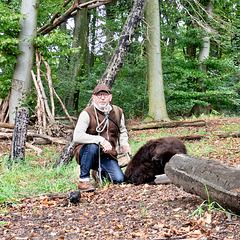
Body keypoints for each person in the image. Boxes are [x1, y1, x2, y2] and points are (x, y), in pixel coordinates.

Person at [73, 83, 131, 192]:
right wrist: (100, 140)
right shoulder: (87, 113)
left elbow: (122, 130)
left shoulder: (118, 112)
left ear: (110, 97)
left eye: (105, 95)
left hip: (107, 154)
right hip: (86, 152)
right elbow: (77, 136)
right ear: (93, 97)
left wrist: (124, 144)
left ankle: (98, 172)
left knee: (119, 179)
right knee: (92, 146)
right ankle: (83, 180)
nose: (102, 98)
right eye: (99, 95)